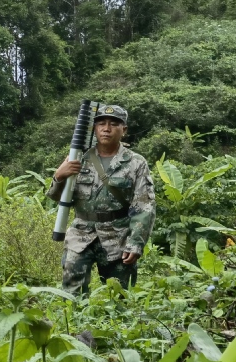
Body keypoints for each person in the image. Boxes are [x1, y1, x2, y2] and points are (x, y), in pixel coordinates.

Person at [46, 104, 155, 296]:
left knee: (118, 296)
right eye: (101, 124)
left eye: (114, 124)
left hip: (117, 236)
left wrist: (136, 242)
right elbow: (57, 197)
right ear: (94, 129)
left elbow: (144, 206)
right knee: (72, 292)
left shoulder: (136, 163)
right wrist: (59, 176)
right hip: (81, 235)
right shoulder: (78, 158)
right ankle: (75, 326)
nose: (106, 128)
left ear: (124, 130)